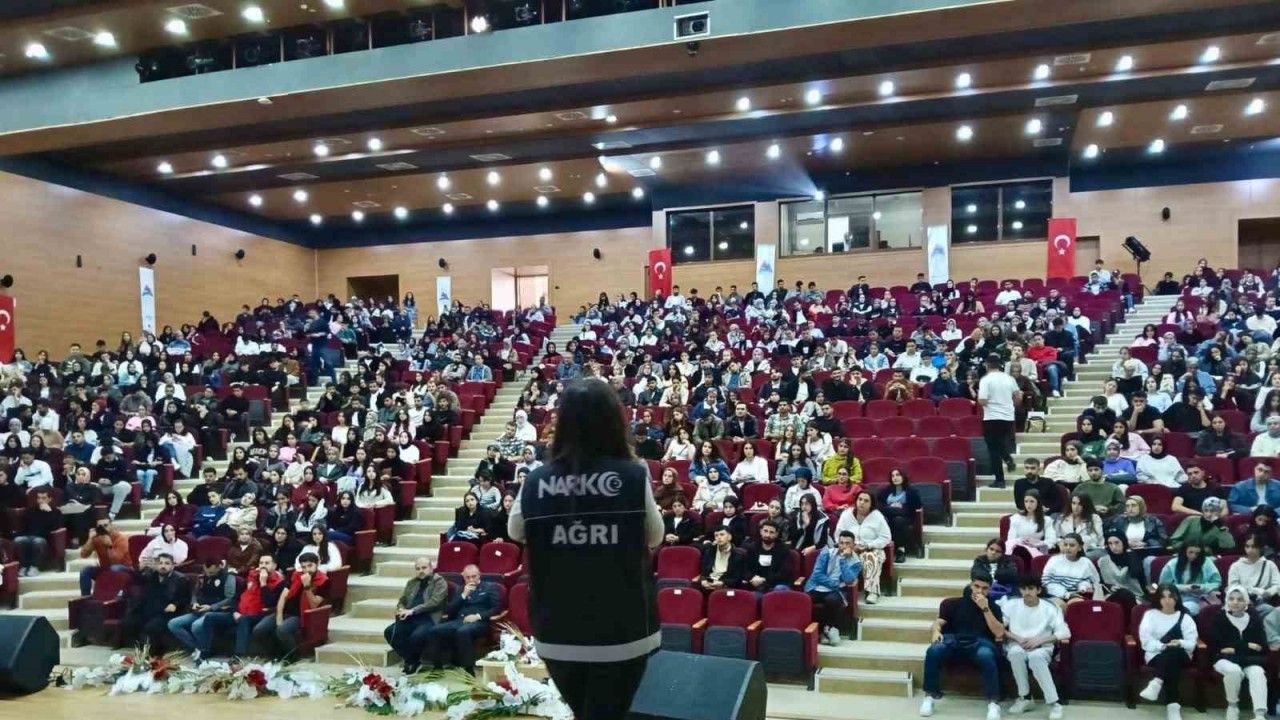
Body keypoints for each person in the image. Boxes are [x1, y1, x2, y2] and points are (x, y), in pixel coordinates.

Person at [507, 378, 662, 715]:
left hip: (557, 626)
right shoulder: (633, 474)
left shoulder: (537, 479)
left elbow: (515, 529)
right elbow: (655, 536)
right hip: (623, 628)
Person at [919, 572, 1006, 720]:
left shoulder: (994, 607)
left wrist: (985, 608)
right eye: (976, 586)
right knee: (934, 650)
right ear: (971, 585)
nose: (980, 591)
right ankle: (929, 697)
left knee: (986, 655)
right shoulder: (952, 604)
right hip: (954, 641)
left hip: (980, 643)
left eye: (984, 588)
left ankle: (993, 703)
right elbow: (939, 622)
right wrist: (935, 631)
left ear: (990, 589)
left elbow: (999, 633)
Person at [1000, 575, 1070, 719]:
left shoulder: (1050, 607)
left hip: (1042, 646)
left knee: (1036, 658)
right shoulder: (1011, 605)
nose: (1027, 592)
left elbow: (1064, 632)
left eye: (1031, 589)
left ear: (1038, 590)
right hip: (1017, 644)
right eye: (1024, 589)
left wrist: (1039, 640)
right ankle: (1025, 698)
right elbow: (999, 628)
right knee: (1015, 654)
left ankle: (1054, 703)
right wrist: (1017, 637)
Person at [422, 564, 500, 673]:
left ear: (479, 575)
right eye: (468, 577)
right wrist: (463, 595)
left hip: (479, 623)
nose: (471, 580)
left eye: (474, 576)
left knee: (463, 632)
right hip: (459, 621)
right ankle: (437, 669)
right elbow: (450, 609)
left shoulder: (490, 587)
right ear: (463, 577)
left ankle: (468, 670)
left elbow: (496, 608)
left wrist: (478, 616)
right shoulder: (461, 589)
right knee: (434, 630)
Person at [1136, 584, 1198, 720]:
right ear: (1158, 599)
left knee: (1174, 652)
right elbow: (1145, 641)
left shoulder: (1185, 617)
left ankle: (1157, 682)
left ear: (1177, 598)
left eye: (1170, 597)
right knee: (1171, 660)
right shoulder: (1150, 615)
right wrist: (1163, 646)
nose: (1167, 600)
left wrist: (1180, 643)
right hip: (1155, 655)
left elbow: (1192, 643)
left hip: (1182, 655)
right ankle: (1173, 708)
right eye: (1163, 597)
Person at [1209, 585, 1270, 720]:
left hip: (1250, 660)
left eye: (1239, 599)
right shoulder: (1219, 618)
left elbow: (1262, 646)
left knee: (1258, 673)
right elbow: (1218, 645)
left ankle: (1259, 714)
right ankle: (1232, 706)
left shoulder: (1255, 619)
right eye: (1231, 599)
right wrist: (1248, 645)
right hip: (1224, 659)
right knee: (1234, 671)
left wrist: (1234, 648)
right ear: (1227, 601)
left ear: (1246, 602)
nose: (1235, 602)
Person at [258, 551, 330, 658]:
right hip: (285, 611)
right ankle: (274, 656)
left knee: (282, 630)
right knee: (260, 629)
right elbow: (283, 597)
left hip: (301, 615)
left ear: (317, 564)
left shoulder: (323, 581)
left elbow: (314, 605)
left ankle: (294, 657)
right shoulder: (296, 575)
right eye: (304, 567)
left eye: (310, 566)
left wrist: (307, 587)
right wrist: (279, 616)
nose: (307, 570)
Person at [384, 557, 449, 674]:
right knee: (389, 632)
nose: (421, 571)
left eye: (424, 568)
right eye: (418, 569)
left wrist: (413, 610)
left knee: (416, 636)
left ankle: (411, 662)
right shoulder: (412, 583)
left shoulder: (439, 582)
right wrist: (401, 609)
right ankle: (412, 660)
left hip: (429, 618)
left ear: (431, 568)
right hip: (410, 617)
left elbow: (435, 602)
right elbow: (402, 600)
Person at [167, 558, 238, 658]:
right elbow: (195, 593)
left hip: (217, 611)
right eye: (206, 571)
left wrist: (212, 607)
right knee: (173, 624)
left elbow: (230, 599)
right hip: (200, 610)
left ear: (219, 567)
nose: (208, 574)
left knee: (196, 626)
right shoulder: (202, 577)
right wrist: (194, 603)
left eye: (211, 572)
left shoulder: (229, 578)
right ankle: (197, 648)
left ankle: (204, 651)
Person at [122, 552, 190, 655]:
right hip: (150, 610)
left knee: (151, 627)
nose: (163, 566)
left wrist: (175, 604)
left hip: (166, 613)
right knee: (129, 622)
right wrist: (139, 569)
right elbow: (136, 580)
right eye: (160, 563)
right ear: (156, 565)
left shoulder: (180, 579)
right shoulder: (152, 576)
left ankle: (151, 654)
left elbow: (185, 598)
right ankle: (140, 651)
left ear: (173, 566)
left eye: (167, 563)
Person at [804, 531, 862, 645]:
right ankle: (811, 631)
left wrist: (843, 560)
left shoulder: (856, 562)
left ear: (853, 545)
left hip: (837, 591)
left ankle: (826, 630)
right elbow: (817, 574)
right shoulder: (827, 552)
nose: (844, 546)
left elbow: (848, 580)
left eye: (847, 543)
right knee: (804, 599)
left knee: (831, 600)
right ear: (837, 543)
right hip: (817, 586)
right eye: (841, 543)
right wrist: (834, 584)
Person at [834, 490, 891, 604]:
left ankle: (872, 592)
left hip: (872, 549)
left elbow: (886, 537)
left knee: (870, 557)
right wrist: (850, 547)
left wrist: (868, 545)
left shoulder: (877, 516)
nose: (862, 503)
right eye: (860, 499)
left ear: (871, 504)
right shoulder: (846, 515)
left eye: (866, 501)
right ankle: (840, 591)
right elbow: (838, 535)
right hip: (849, 548)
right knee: (838, 557)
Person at [227, 555, 286, 657]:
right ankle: (203, 653)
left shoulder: (279, 582)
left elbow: (270, 603)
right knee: (210, 617)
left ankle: (239, 656)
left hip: (260, 614)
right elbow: (236, 597)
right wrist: (234, 611)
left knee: (244, 620)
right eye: (261, 563)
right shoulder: (251, 577)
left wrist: (263, 583)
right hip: (240, 612)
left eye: (267, 563)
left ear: (274, 566)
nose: (263, 566)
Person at [978, 353, 1020, 489]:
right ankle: (1007, 458)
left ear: (987, 365)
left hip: (992, 416)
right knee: (999, 442)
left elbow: (982, 400)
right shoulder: (1009, 378)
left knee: (993, 449)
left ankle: (1000, 479)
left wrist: (989, 403)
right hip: (1008, 416)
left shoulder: (986, 380)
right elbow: (1018, 396)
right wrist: (1009, 405)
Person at [1039, 533, 1099, 608]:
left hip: (1077, 595)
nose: (1068, 548)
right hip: (1054, 594)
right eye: (1065, 545)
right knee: (1059, 605)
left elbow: (1094, 582)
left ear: (1080, 547)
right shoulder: (1054, 560)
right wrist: (1066, 594)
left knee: (1076, 605)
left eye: (1072, 545)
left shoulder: (1086, 562)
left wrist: (1084, 587)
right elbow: (1045, 582)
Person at [78, 516, 132, 596]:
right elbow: (83, 555)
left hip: (124, 569)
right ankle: (85, 598)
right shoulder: (97, 538)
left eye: (106, 525)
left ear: (111, 526)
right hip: (105, 568)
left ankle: (114, 595)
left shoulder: (121, 539)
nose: (103, 528)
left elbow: (116, 561)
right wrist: (90, 539)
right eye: (100, 526)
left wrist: (109, 546)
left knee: (114, 568)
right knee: (85, 571)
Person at [877, 468, 922, 562]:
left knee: (898, 520)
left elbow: (916, 507)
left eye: (897, 475)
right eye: (892, 476)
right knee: (886, 519)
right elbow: (879, 506)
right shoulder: (886, 490)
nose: (895, 478)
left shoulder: (911, 491)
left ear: (903, 476)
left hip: (905, 517)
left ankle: (900, 550)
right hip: (888, 516)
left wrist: (899, 508)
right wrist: (892, 507)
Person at [13, 488, 60, 576]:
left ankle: (34, 566)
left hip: (43, 538)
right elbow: (22, 527)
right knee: (18, 540)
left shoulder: (55, 512)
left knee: (37, 541)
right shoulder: (30, 510)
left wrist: (49, 512)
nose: (41, 500)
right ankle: (24, 566)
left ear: (50, 499)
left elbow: (56, 526)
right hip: (27, 536)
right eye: (39, 498)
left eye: (44, 498)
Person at [1229, 534, 1280, 614]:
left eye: (1254, 547)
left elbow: (1277, 585)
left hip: (1265, 601)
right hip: (1243, 604)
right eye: (1247, 546)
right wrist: (1249, 596)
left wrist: (1268, 592)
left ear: (1260, 548)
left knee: (1269, 609)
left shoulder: (1269, 565)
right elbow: (1233, 587)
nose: (1250, 550)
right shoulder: (1236, 566)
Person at [1170, 497, 1235, 554]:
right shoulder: (1190, 520)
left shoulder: (1220, 526)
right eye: (1206, 510)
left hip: (1208, 557)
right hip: (1184, 554)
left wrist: (1221, 528)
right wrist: (1194, 549)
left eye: (1213, 511)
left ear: (1219, 512)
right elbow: (1175, 541)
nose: (1209, 514)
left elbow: (1229, 546)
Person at [697, 526, 746, 591]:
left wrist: (722, 583)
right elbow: (704, 571)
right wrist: (703, 580)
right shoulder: (709, 551)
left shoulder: (739, 554)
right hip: (709, 581)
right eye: (716, 535)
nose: (719, 537)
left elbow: (737, 578)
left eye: (722, 534)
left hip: (726, 585)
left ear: (729, 537)